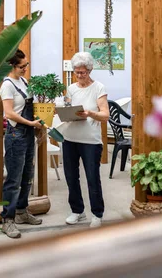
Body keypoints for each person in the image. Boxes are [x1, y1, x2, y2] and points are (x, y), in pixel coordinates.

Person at [60, 52, 109, 228]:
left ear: (90, 70)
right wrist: (63, 112)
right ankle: (77, 211)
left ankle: (97, 213)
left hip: (91, 142)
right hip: (70, 138)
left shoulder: (98, 88)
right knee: (71, 177)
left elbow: (105, 115)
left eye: (83, 72)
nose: (80, 76)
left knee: (92, 177)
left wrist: (90, 113)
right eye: (77, 72)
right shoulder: (71, 88)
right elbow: (67, 107)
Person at [0, 49, 43, 238]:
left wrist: (38, 124)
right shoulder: (7, 86)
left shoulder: (24, 82)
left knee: (27, 175)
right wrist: (30, 123)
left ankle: (22, 211)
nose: (25, 69)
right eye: (21, 66)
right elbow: (9, 113)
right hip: (16, 134)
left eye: (26, 65)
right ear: (12, 66)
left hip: (28, 133)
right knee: (13, 179)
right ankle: (7, 220)